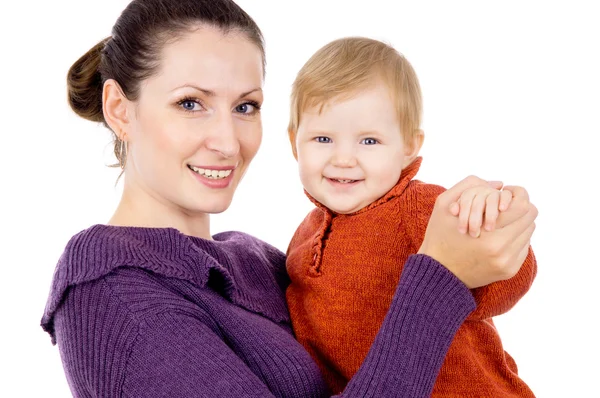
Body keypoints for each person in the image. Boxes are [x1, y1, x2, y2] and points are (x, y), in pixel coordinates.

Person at [40, 0, 538, 397]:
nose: (228, 141)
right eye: (190, 103)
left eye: (245, 106)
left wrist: (488, 223)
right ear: (119, 110)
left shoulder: (260, 261)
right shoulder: (113, 295)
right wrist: (439, 278)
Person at [285, 37, 537, 397]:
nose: (343, 158)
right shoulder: (304, 235)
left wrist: (495, 222)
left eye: (368, 141)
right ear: (295, 142)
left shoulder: (423, 207)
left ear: (408, 146)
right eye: (323, 139)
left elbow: (507, 271)